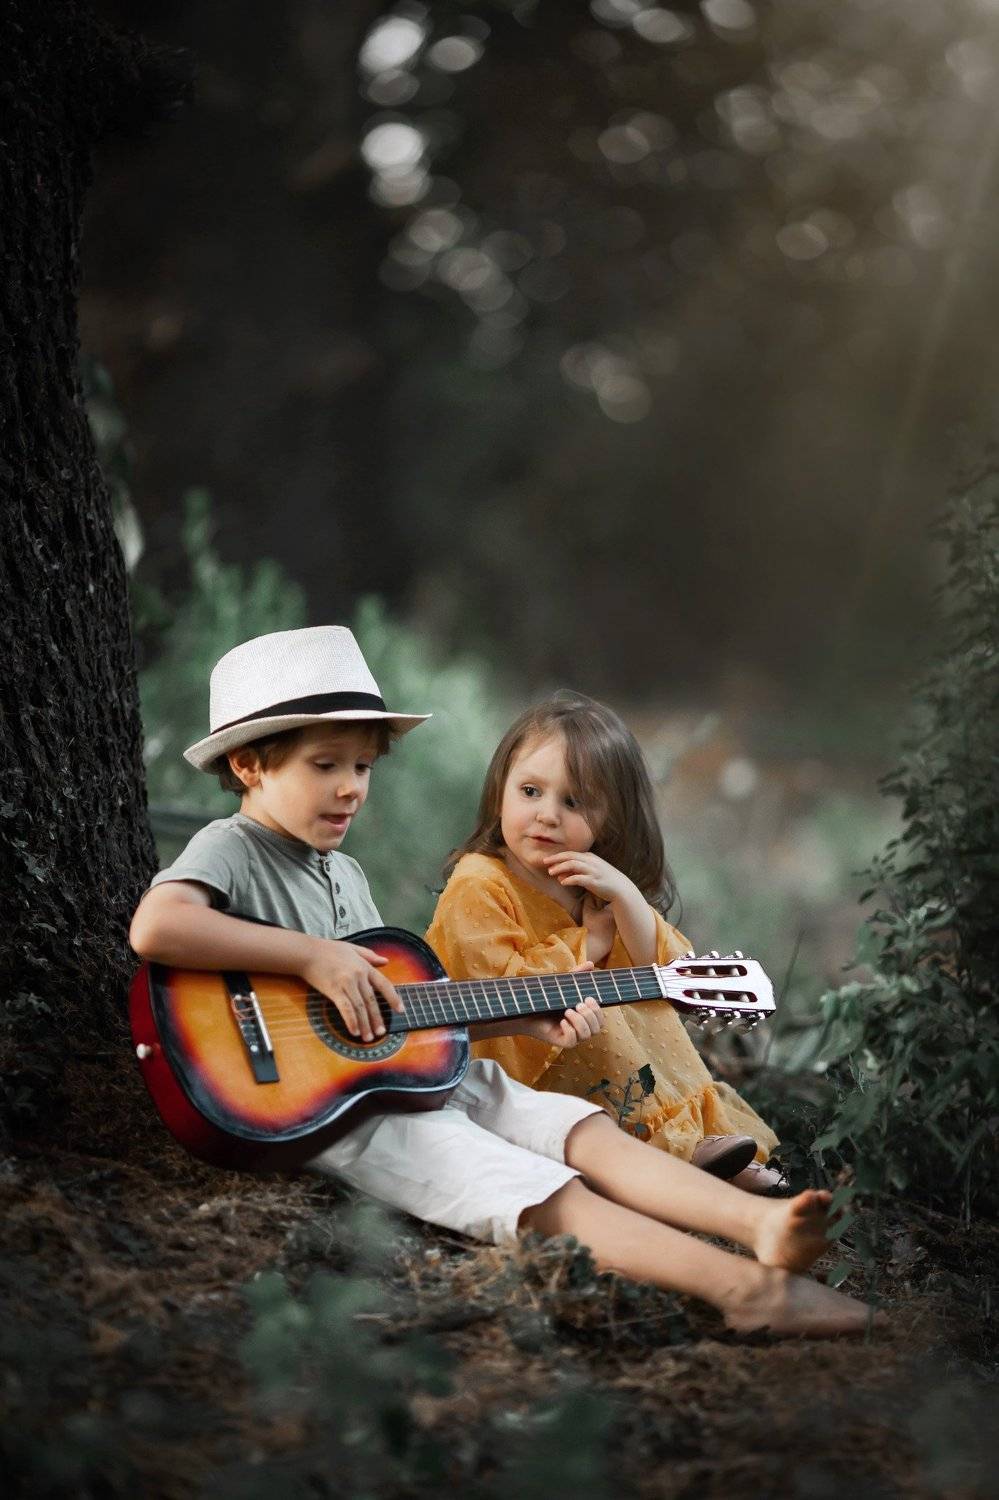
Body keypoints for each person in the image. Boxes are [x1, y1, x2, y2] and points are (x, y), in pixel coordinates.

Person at [130, 627, 877, 1337]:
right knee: (529, 1185)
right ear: (248, 766)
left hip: (397, 1079)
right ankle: (745, 1293)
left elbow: (394, 1018)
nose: (351, 788)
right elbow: (156, 928)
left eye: (362, 768)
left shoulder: (345, 874)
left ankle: (758, 1224)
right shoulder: (233, 847)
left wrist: (520, 1020)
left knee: (573, 1127)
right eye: (325, 766)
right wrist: (310, 958)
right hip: (321, 1106)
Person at [426, 692, 785, 1192]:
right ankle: (671, 1150)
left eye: (573, 802)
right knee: (601, 1006)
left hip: (578, 1050)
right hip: (513, 1064)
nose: (547, 814)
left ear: (610, 817)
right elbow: (493, 989)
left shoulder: (590, 881)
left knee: (641, 998)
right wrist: (590, 943)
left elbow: (670, 969)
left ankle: (701, 1141)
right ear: (499, 790)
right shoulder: (480, 882)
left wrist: (627, 896)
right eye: (530, 791)